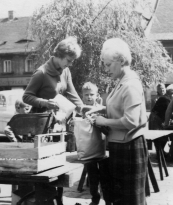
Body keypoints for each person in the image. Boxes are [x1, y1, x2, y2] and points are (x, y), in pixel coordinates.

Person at [86, 38, 148, 205]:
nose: (106, 69)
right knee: (120, 200)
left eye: (108, 64)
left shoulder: (130, 84)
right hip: (121, 146)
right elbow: (119, 108)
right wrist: (100, 112)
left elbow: (131, 121)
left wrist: (104, 121)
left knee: (130, 201)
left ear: (121, 60)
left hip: (130, 148)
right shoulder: (121, 82)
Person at [23, 36, 83, 120]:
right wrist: (45, 103)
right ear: (60, 55)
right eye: (69, 60)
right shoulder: (41, 73)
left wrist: (84, 110)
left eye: (72, 61)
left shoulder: (65, 71)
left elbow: (73, 96)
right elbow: (26, 97)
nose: (70, 64)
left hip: (58, 120)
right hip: (39, 121)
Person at [81, 82, 109, 205]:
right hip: (89, 149)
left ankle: (108, 200)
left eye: (91, 94)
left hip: (102, 147)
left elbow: (107, 128)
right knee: (92, 176)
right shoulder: (82, 110)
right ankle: (95, 199)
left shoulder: (101, 109)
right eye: (86, 95)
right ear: (82, 96)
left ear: (97, 95)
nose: (89, 97)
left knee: (105, 177)